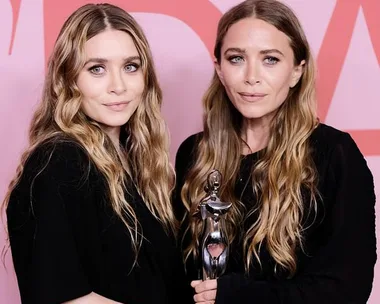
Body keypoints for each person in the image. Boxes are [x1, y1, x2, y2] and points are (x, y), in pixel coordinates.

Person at [174, 0, 377, 303]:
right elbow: (176, 275)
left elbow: (348, 288)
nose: (251, 76)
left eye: (270, 59)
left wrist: (237, 295)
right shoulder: (194, 153)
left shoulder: (335, 155)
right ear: (219, 68)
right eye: (236, 58)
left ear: (297, 71)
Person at [4, 3, 192, 304]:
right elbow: (62, 296)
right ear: (68, 79)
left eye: (130, 66)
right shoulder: (59, 163)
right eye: (97, 69)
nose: (118, 86)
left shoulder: (138, 163)